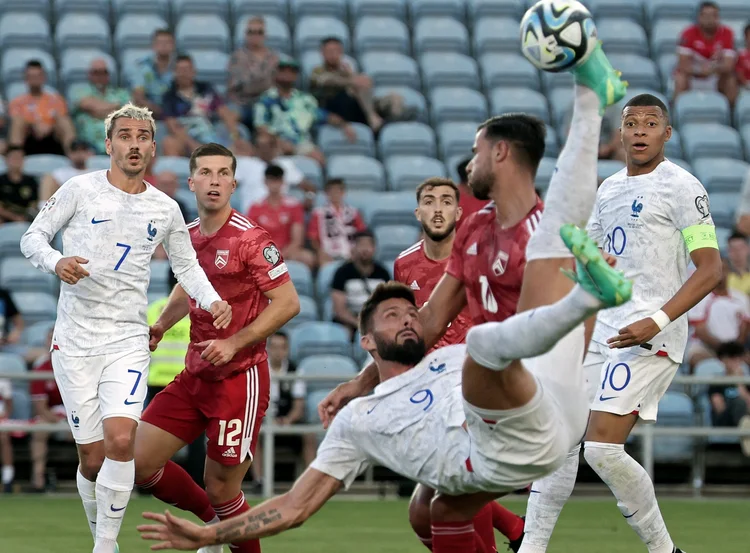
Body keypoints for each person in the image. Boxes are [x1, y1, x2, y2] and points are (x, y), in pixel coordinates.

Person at [136, 36, 637, 553]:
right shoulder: (362, 415)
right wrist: (209, 534)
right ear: (367, 339)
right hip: (513, 431)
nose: (406, 317)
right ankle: (583, 293)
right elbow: (295, 506)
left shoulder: (458, 326)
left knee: (493, 335)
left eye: (475, 152)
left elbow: (437, 316)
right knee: (432, 512)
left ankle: (589, 100)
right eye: (393, 313)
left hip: (543, 394)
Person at [19, 103, 231, 553]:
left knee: (121, 439)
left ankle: (105, 547)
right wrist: (58, 262)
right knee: (93, 460)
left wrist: (213, 301)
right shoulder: (79, 189)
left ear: (152, 148)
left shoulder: (165, 208)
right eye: (125, 136)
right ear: (109, 143)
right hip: (75, 342)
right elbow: (31, 238)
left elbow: (187, 267)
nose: (134, 144)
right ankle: (102, 535)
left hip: (127, 341)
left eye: (142, 137)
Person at [517, 94, 721, 553]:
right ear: (622, 134)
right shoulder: (607, 190)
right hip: (602, 332)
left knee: (602, 449)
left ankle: (666, 550)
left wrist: (657, 319)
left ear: (667, 133)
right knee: (562, 442)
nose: (641, 131)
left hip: (652, 333)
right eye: (632, 123)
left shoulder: (684, 187)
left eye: (651, 123)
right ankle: (530, 548)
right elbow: (587, 266)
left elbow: (710, 269)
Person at [134, 143, 300, 553]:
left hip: (239, 377)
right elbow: (186, 286)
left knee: (223, 488)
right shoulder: (187, 236)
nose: (214, 181)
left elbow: (289, 302)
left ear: (233, 182)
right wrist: (160, 326)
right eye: (206, 173)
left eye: (223, 173)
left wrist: (234, 342)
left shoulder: (251, 239)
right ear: (191, 182)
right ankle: (210, 529)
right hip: (196, 374)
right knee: (138, 464)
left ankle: (221, 527)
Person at [393, 176, 525, 550]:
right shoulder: (404, 264)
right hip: (430, 393)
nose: (438, 209)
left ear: (458, 211)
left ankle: (512, 532)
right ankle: (517, 529)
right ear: (417, 211)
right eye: (430, 201)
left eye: (446, 201)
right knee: (424, 512)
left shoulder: (478, 260)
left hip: (475, 385)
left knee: (456, 491)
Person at [248, 164, 315, 268]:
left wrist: (281, 254)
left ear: (282, 182)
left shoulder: (294, 206)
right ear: (265, 182)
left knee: (308, 258)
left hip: (289, 252)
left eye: (277, 180)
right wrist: (270, 254)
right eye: (271, 180)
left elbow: (297, 239)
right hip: (264, 251)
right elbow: (253, 238)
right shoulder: (256, 207)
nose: (274, 184)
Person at [674, 1, 738, 107]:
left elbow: (728, 65)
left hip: (715, 76)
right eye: (706, 15)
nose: (710, 19)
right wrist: (699, 71)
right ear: (699, 17)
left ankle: (731, 116)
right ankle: (676, 113)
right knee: (680, 78)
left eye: (714, 15)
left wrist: (712, 69)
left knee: (730, 80)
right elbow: (683, 64)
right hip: (693, 76)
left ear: (718, 17)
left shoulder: (727, 33)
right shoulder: (688, 33)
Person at [331, 230, 391, 336]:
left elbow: (388, 304)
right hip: (350, 320)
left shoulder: (383, 273)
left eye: (369, 245)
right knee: (344, 332)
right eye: (361, 245)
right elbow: (339, 310)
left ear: (375, 248)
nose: (365, 249)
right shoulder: (342, 273)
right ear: (354, 248)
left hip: (376, 319)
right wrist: (359, 324)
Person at [38, 139, 94, 203]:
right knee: (48, 178)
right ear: (69, 153)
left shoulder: (96, 172)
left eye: (83, 150)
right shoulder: (60, 173)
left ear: (90, 153)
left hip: (89, 206)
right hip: (65, 206)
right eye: (75, 151)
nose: (79, 154)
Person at [0, 145, 38, 223]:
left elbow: (34, 203)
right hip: (5, 217)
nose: (16, 161)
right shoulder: (1, 180)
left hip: (26, 217)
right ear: (6, 160)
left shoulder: (31, 181)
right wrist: (15, 217)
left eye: (19, 158)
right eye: (13, 158)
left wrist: (27, 216)